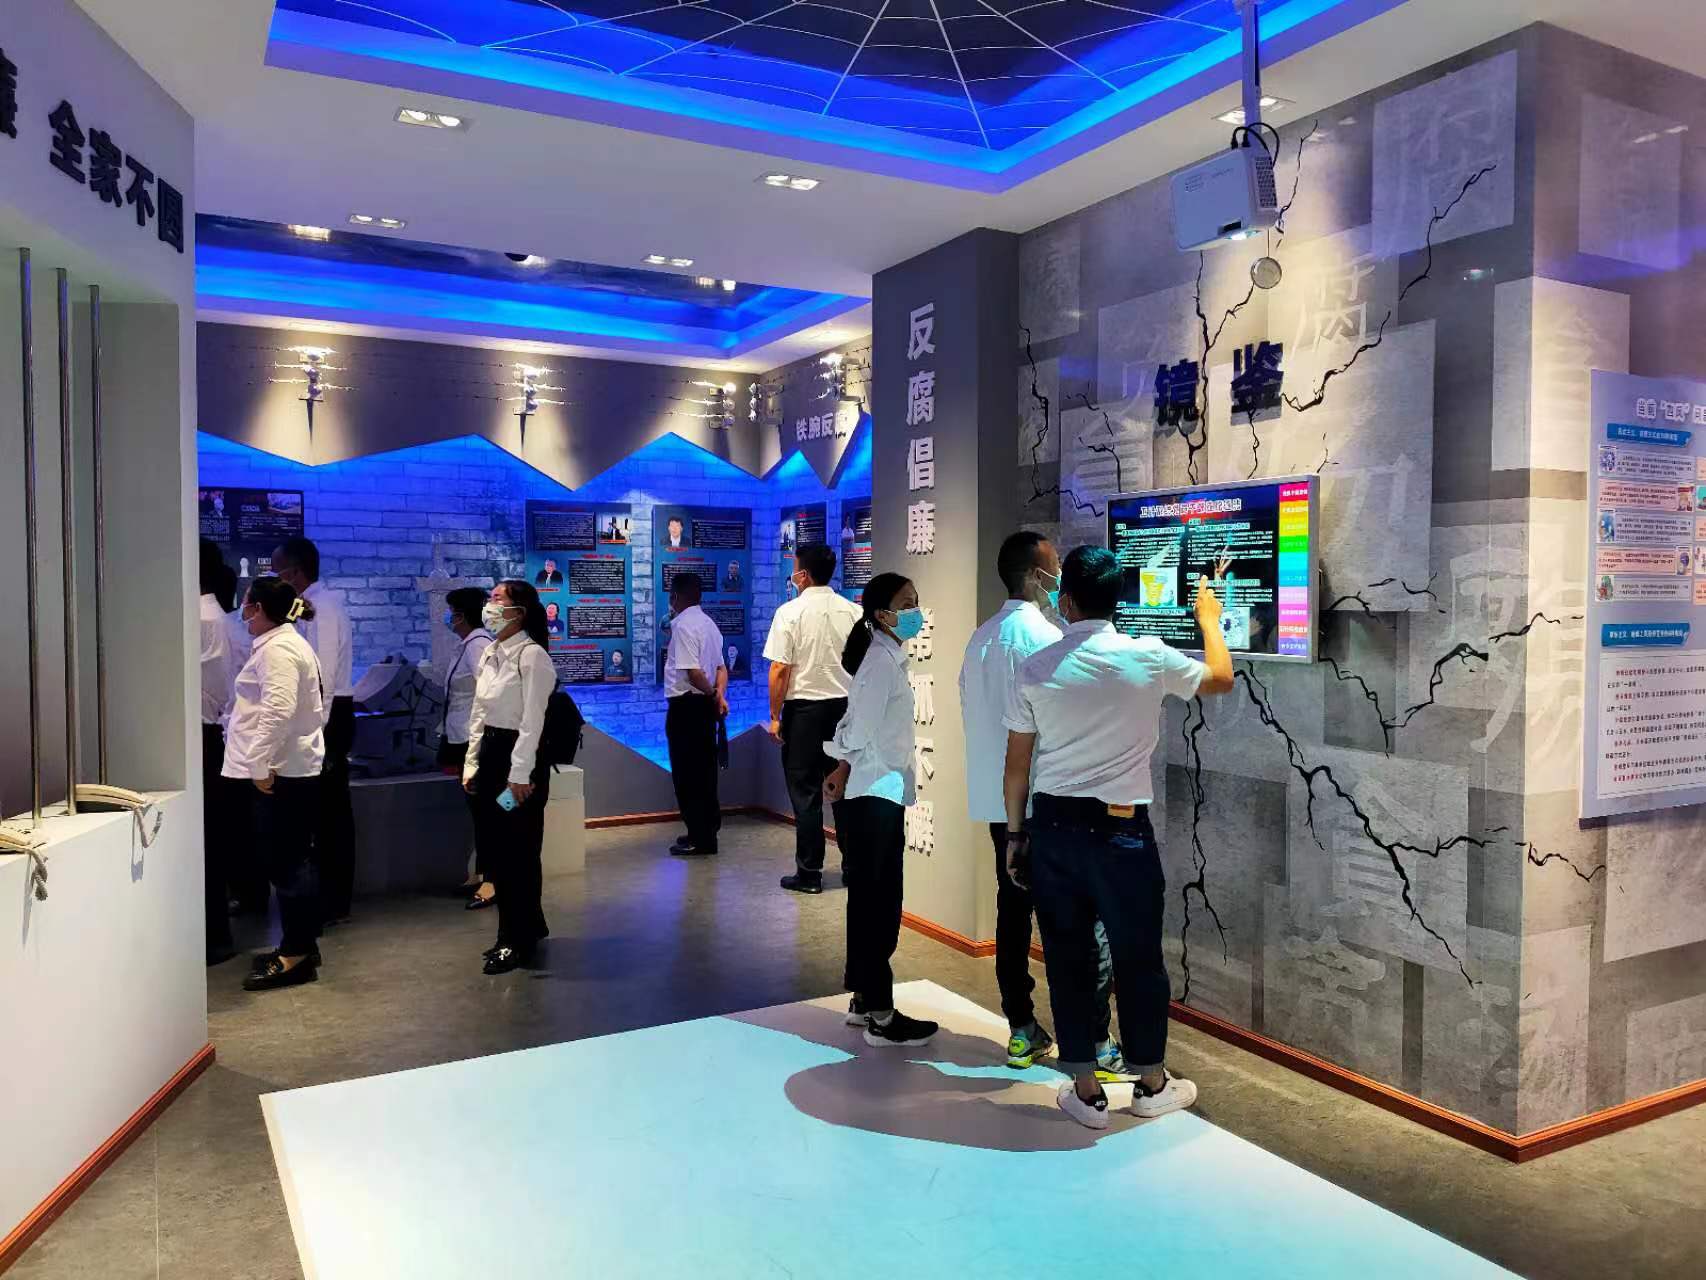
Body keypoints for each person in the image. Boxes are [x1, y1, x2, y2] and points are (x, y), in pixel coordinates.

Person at [1003, 546, 1235, 1129]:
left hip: (1053, 829)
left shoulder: (1035, 668)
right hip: (1122, 830)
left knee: (1067, 957)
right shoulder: (1148, 656)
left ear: (1066, 601)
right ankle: (1151, 1082)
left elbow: (1017, 766)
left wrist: (1015, 836)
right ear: (1118, 601)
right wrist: (1209, 619)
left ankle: (1085, 1090)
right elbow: (1221, 678)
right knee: (1138, 958)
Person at [959, 532, 1127, 1072]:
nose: (1061, 580)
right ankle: (1094, 1040)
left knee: (1012, 917)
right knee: (1076, 925)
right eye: (1055, 567)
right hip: (1049, 805)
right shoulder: (1047, 640)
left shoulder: (981, 639)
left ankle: (1021, 1028)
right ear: (1037, 576)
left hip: (1001, 807)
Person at [823, 573, 938, 1048]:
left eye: (916, 601)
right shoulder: (881, 663)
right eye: (906, 603)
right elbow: (858, 729)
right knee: (879, 904)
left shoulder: (885, 659)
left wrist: (843, 763)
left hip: (877, 791)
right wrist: (841, 759)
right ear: (882, 614)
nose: (915, 611)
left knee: (870, 900)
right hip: (875, 797)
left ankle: (864, 1001)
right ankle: (882, 1015)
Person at [223, 576, 326, 992]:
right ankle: (301, 946)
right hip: (286, 769)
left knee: (287, 863)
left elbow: (278, 710)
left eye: (246, 604)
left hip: (282, 772)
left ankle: (295, 955)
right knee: (290, 860)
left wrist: (260, 763)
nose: (243, 611)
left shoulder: (279, 649)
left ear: (259, 609)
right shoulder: (281, 644)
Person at [462, 580, 556, 974]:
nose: (490, 605)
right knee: (500, 847)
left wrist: (520, 775)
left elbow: (532, 723)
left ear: (519, 611)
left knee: (517, 849)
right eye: (491, 598)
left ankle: (514, 938)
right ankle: (527, 925)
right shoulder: (491, 653)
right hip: (493, 758)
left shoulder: (532, 657)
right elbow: (479, 714)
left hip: (520, 765)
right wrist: (472, 763)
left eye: (498, 599)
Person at [764, 542, 861, 895]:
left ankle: (809, 873)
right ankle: (853, 868)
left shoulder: (789, 613)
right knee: (845, 790)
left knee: (805, 793)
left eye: (794, 568)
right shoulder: (853, 612)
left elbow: (779, 669)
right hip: (845, 710)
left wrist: (775, 716)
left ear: (802, 575)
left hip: (804, 712)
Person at [272, 536, 356, 927]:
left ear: (295, 572)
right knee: (321, 813)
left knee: (329, 814)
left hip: (328, 716)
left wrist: (315, 729)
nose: (275, 579)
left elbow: (324, 674)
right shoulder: (307, 607)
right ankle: (325, 896)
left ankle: (334, 900)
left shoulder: (323, 609)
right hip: (319, 716)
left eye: (278, 572)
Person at [662, 573, 728, 857]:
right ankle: (704, 832)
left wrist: (713, 694)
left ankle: (700, 838)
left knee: (687, 774)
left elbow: (693, 673)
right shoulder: (709, 624)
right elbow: (722, 669)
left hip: (687, 708)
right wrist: (719, 695)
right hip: (704, 708)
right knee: (705, 772)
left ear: (675, 597)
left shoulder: (683, 626)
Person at [437, 587, 495, 907]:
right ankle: (481, 872)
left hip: (476, 740)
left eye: (452, 612)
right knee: (477, 810)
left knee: (486, 810)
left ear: (461, 615)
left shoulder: (478, 647)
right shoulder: (468, 645)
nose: (449, 617)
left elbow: (490, 695)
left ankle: (492, 880)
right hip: (462, 737)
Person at [198, 540, 237, 966]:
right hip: (211, 733)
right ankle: (214, 935)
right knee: (212, 839)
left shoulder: (200, 617)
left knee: (206, 842)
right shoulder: (217, 616)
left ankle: (212, 937)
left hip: (202, 734)